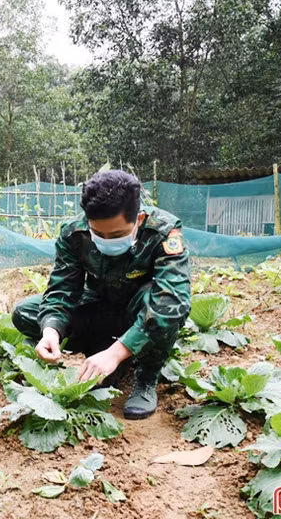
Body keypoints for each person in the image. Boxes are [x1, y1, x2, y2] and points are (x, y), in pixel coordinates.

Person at [11, 170, 191, 419]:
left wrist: (115, 353)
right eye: (98, 234)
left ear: (138, 219)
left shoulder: (163, 232)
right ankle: (106, 352)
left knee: (165, 308)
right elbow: (63, 289)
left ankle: (145, 378)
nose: (107, 240)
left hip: (139, 314)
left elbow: (173, 301)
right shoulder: (74, 233)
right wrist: (51, 330)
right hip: (98, 306)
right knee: (26, 312)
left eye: (116, 235)